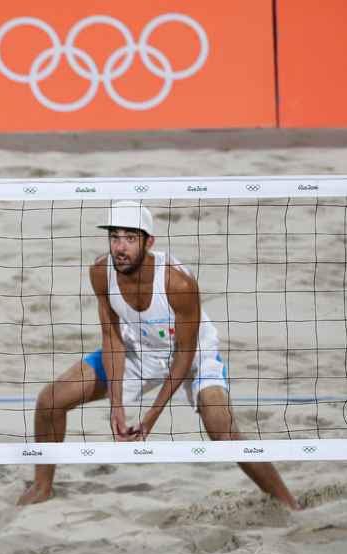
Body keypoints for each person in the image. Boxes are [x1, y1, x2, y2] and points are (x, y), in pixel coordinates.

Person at [18, 201, 300, 510]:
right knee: (50, 400)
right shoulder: (101, 273)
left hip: (193, 353)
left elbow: (186, 352)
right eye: (114, 237)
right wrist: (117, 404)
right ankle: (42, 487)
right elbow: (112, 338)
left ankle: (290, 504)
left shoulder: (178, 282)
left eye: (130, 238)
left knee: (222, 431)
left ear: (148, 242)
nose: (120, 247)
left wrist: (152, 416)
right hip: (140, 349)